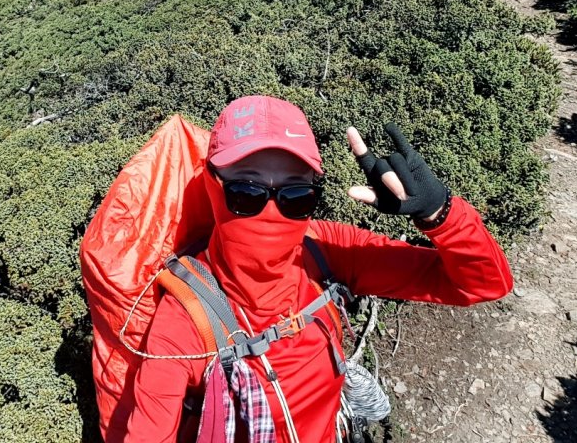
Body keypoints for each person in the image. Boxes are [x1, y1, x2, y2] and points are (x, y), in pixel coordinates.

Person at [123, 95, 514, 443]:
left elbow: (481, 284)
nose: (272, 210)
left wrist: (439, 215)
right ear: (213, 186)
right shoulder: (183, 327)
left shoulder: (327, 248)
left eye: (295, 195)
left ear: (314, 194)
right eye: (246, 192)